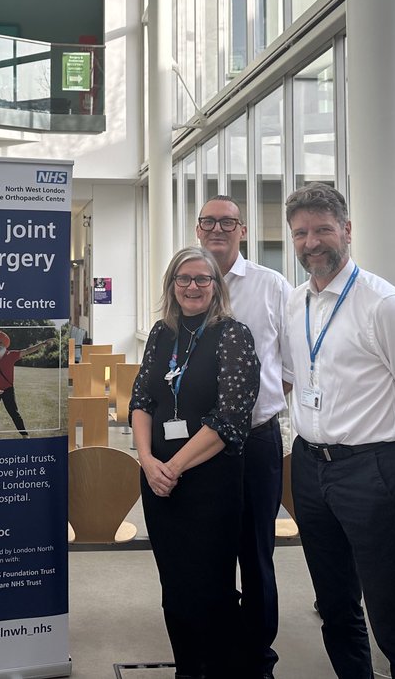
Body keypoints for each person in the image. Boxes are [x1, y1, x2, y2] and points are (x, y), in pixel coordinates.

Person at [283, 184, 395, 679]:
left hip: (371, 467)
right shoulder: (295, 303)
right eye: (301, 233)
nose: (311, 242)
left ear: (346, 231)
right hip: (307, 465)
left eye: (322, 229)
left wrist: (385, 455)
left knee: (390, 605)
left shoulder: (382, 304)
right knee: (334, 601)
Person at [129, 246, 260, 679]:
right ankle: (187, 669)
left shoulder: (233, 334)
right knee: (175, 586)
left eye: (203, 279)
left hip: (210, 483)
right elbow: (142, 400)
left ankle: (219, 669)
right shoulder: (160, 334)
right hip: (159, 480)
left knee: (211, 587)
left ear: (216, 286)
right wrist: (147, 461)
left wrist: (173, 467)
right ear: (171, 286)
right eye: (183, 279)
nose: (192, 286)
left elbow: (229, 418)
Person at [195, 195, 292, 678]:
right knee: (209, 549)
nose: (218, 229)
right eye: (209, 222)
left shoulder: (273, 286)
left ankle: (258, 658)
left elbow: (291, 367)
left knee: (256, 553)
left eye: (227, 222)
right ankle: (215, 647)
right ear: (197, 230)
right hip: (198, 445)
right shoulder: (188, 283)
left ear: (243, 230)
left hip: (254, 441)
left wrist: (260, 407)